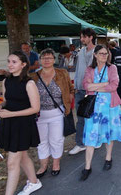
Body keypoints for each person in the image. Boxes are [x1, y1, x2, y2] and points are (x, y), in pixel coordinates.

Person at [0, 50, 42, 195]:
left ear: (23, 64)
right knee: (22, 156)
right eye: (9, 61)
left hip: (23, 124)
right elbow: (7, 100)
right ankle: (34, 182)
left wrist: (11, 114)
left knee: (12, 163)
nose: (10, 64)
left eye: (14, 62)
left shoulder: (29, 83)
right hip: (10, 123)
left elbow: (35, 108)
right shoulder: (6, 81)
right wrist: (0, 106)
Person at [80, 45, 121, 181]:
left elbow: (114, 86)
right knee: (90, 135)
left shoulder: (112, 68)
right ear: (95, 55)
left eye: (106, 54)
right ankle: (87, 167)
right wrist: (103, 84)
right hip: (93, 107)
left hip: (110, 107)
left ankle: (108, 157)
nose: (104, 56)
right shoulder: (90, 69)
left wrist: (95, 86)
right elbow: (86, 86)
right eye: (101, 53)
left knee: (109, 133)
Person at [30, 48, 74, 179]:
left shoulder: (62, 73)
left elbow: (71, 88)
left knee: (56, 140)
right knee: (42, 141)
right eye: (44, 58)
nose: (47, 60)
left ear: (54, 60)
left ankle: (56, 163)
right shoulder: (33, 76)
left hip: (57, 113)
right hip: (39, 114)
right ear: (40, 60)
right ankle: (43, 165)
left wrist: (69, 99)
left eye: (49, 58)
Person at [69, 28, 97, 155]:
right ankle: (80, 143)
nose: (82, 39)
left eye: (84, 37)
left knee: (92, 117)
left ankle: (94, 140)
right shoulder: (81, 52)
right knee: (80, 118)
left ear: (90, 37)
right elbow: (78, 70)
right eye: (81, 37)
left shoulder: (98, 52)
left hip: (93, 90)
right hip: (80, 89)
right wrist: (75, 85)